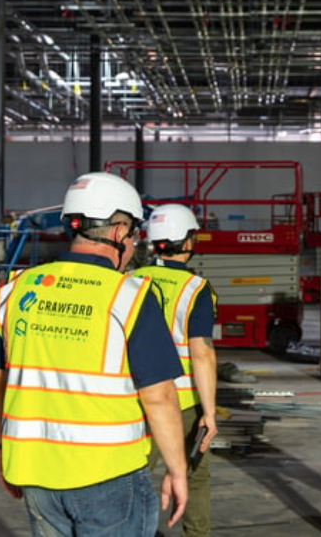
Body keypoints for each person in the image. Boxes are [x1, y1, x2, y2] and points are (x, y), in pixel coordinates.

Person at [0, 171, 189, 537]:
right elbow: (159, 397)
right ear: (119, 232)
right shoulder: (130, 296)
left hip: (34, 472)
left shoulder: (15, 290)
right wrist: (177, 470)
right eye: (134, 232)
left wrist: (0, 450)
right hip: (108, 473)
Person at [130, 204, 218, 537]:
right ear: (187, 241)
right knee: (193, 477)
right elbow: (202, 353)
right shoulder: (196, 289)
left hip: (134, 396)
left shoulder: (131, 280)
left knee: (132, 476)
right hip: (181, 402)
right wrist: (209, 412)